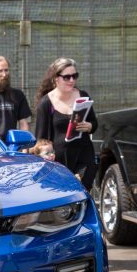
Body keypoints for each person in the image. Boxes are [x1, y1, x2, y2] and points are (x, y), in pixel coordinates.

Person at [35, 57, 98, 191]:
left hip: (84, 155)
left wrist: (89, 126)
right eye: (67, 77)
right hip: (59, 161)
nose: (72, 81)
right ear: (56, 78)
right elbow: (41, 139)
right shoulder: (46, 103)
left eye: (75, 76)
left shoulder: (83, 96)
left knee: (83, 195)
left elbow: (94, 123)